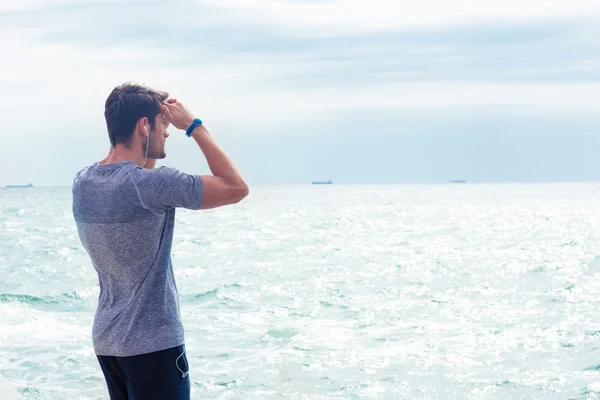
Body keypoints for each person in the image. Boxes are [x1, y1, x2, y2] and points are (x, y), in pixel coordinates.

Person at [71, 82, 249, 399]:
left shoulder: (83, 183)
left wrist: (151, 138)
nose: (167, 134)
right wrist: (194, 126)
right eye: (162, 126)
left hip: (109, 343)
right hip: (154, 346)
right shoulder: (155, 186)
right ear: (144, 126)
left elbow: (135, 178)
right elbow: (236, 188)